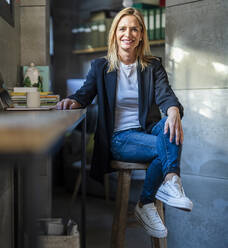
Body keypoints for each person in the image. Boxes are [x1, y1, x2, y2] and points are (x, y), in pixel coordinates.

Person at [56, 7, 192, 238]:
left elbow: (166, 95)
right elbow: (84, 94)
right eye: (122, 28)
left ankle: (159, 191)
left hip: (146, 132)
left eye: (133, 29)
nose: (127, 34)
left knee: (172, 126)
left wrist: (172, 111)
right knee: (166, 145)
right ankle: (158, 192)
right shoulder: (100, 66)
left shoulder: (152, 66)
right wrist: (71, 101)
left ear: (141, 35)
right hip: (119, 139)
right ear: (115, 33)